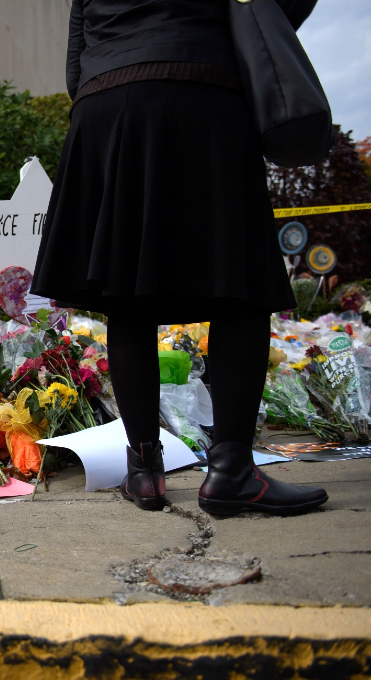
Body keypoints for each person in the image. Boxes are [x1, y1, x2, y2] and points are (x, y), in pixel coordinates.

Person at [32, 0, 328, 515]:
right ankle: (232, 470)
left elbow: (75, 55)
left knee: (127, 293)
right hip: (201, 88)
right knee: (240, 284)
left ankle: (144, 471)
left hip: (107, 101)